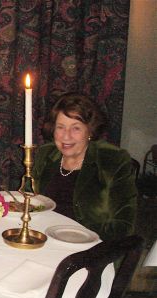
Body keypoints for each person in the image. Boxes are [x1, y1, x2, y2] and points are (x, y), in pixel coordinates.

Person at [32, 92, 137, 242]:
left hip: (92, 250)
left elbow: (124, 225)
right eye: (60, 127)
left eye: (76, 128)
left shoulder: (113, 161)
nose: (66, 136)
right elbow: (30, 203)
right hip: (43, 240)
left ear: (90, 131)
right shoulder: (45, 154)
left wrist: (82, 239)